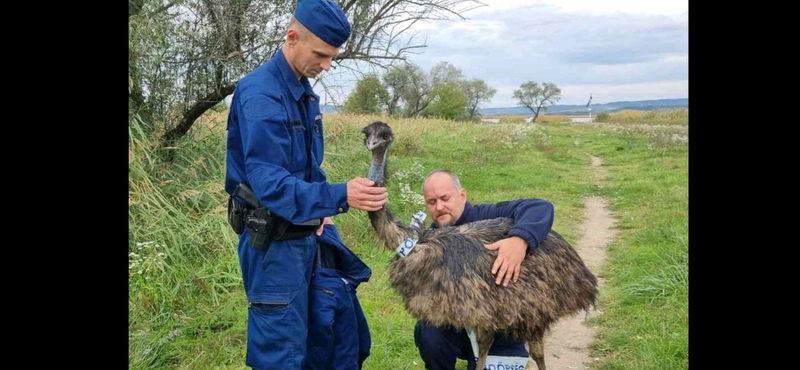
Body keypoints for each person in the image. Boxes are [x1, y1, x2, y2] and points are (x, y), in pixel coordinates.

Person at [224, 1, 387, 369]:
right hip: (273, 248)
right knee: (281, 353)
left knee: (319, 340)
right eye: (321, 54)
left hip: (304, 239)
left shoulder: (302, 90)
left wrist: (324, 211)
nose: (326, 66)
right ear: (292, 37)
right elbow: (271, 185)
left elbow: (308, 168)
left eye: (332, 57)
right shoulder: (261, 94)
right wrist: (340, 195)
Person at [414, 169, 556, 370]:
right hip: (457, 326)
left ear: (462, 195)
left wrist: (519, 239)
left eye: (445, 198)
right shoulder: (430, 239)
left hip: (503, 328)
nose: (439, 207)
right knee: (429, 334)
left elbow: (540, 207)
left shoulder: (487, 216)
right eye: (431, 202)